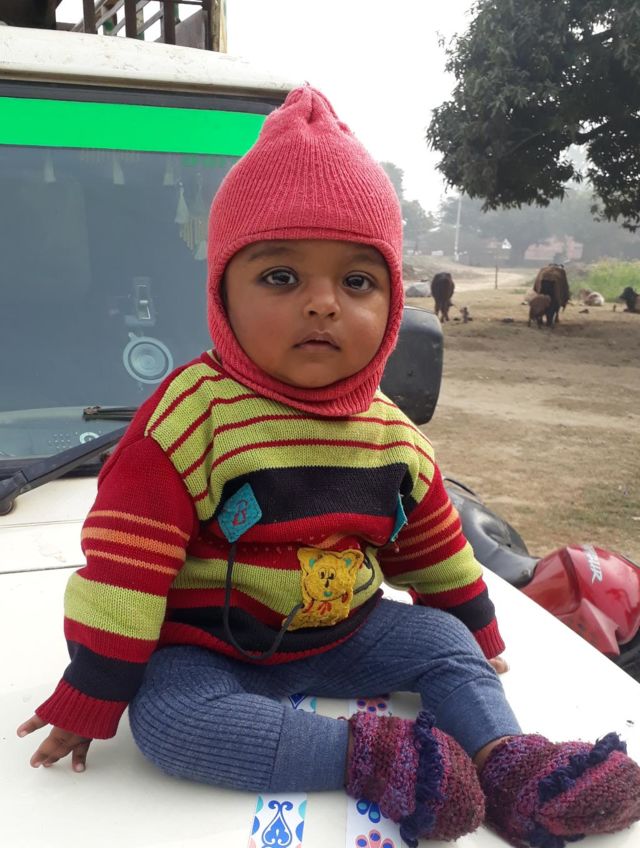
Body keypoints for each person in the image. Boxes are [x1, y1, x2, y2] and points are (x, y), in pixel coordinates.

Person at [18, 86, 640, 848]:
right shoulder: (188, 418)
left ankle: (511, 764)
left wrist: (478, 634)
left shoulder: (392, 434)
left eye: (357, 281)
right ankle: (377, 758)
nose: (322, 304)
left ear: (392, 303)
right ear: (222, 293)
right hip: (209, 646)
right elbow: (126, 569)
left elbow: (434, 547)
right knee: (169, 723)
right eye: (281, 277)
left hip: (347, 632)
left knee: (443, 644)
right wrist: (93, 691)